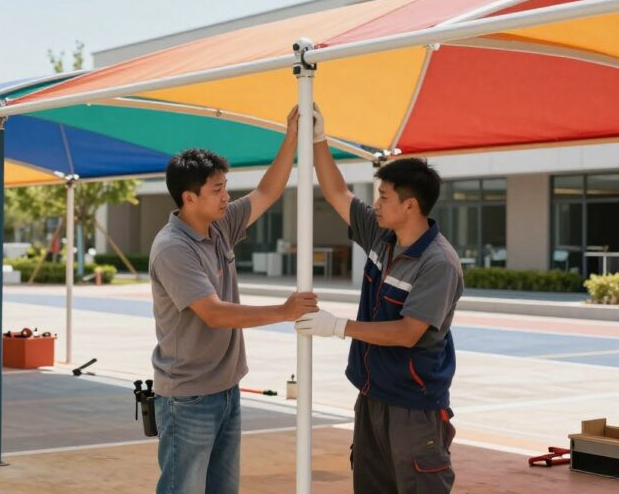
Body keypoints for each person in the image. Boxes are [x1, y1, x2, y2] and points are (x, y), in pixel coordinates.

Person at [294, 104, 463, 494]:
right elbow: (336, 191)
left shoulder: (438, 263)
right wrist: (320, 140)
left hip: (413, 405)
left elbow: (408, 332)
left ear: (410, 205)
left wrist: (337, 327)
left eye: (383, 197)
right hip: (372, 395)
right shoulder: (381, 235)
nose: (375, 204)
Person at [149, 128, 319, 494]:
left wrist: (292, 137)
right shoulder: (172, 248)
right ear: (189, 198)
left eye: (225, 187)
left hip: (226, 388)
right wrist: (285, 310)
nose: (227, 197)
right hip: (188, 397)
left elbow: (268, 192)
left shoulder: (219, 225)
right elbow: (214, 313)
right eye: (217, 190)